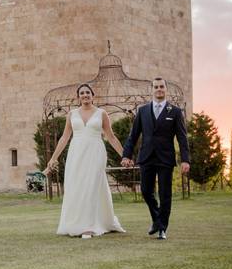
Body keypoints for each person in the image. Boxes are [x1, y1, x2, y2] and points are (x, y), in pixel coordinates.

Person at [44, 84, 126, 237]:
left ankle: (89, 226)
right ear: (78, 97)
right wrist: (53, 158)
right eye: (82, 93)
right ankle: (77, 222)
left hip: (96, 152)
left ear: (92, 95)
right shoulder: (71, 114)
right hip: (76, 153)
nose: (85, 95)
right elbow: (64, 138)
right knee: (77, 186)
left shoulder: (102, 113)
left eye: (88, 92)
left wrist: (125, 155)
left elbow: (111, 137)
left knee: (92, 185)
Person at [121, 77, 190, 240]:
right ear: (151, 90)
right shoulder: (142, 110)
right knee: (146, 191)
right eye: (156, 87)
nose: (159, 89)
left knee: (165, 194)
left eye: (162, 87)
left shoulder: (175, 111)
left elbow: (182, 138)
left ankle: (162, 228)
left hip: (165, 158)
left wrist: (185, 160)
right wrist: (126, 155)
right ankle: (156, 219)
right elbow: (133, 135)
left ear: (166, 90)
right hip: (146, 157)